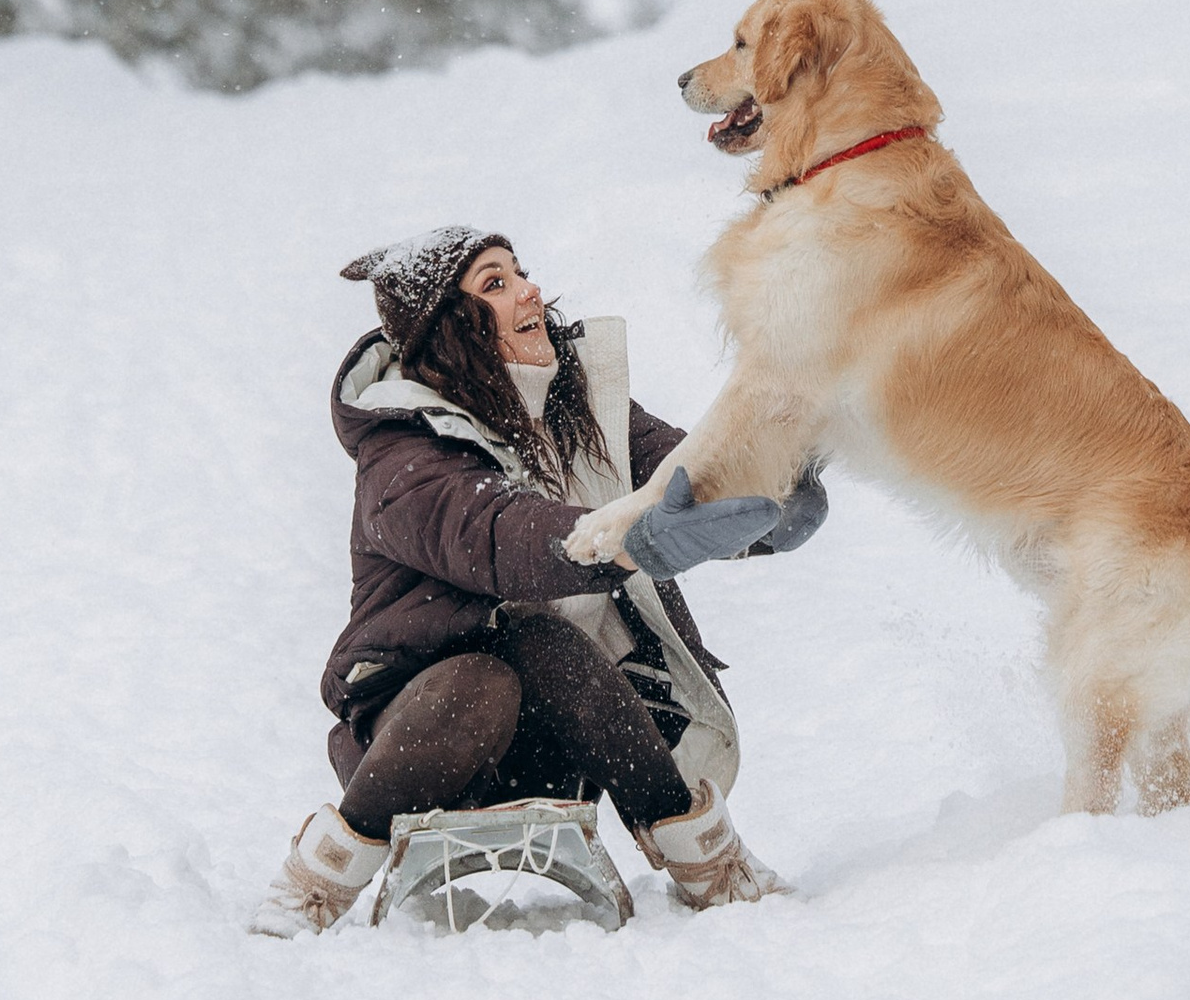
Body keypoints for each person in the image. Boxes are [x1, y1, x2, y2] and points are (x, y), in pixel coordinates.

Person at [252, 223, 819, 934]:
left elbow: (687, 474)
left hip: (565, 733)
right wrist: (625, 537)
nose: (530, 290)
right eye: (496, 283)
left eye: (520, 272)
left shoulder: (575, 405)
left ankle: (711, 866)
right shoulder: (401, 454)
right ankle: (315, 882)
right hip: (425, 738)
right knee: (513, 654)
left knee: (545, 647)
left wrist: (774, 482)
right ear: (451, 330)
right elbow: (495, 533)